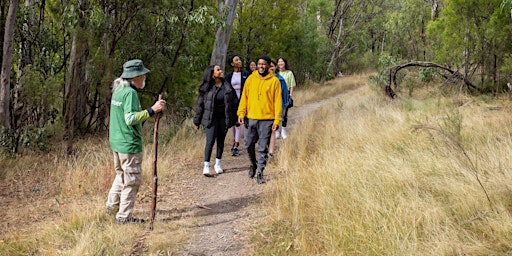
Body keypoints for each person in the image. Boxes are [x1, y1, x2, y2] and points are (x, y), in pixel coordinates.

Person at [106, 59, 166, 225]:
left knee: (121, 176)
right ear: (136, 76)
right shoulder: (130, 93)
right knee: (131, 180)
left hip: (117, 142)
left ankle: (111, 208)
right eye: (143, 75)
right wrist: (152, 110)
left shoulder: (118, 90)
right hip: (128, 144)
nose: (145, 77)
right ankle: (123, 217)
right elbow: (130, 118)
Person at [237, 55, 282, 184]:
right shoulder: (251, 79)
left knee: (263, 148)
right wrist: (241, 113)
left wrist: (277, 120)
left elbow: (277, 102)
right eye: (259, 64)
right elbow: (244, 97)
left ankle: (260, 172)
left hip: (267, 119)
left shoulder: (274, 81)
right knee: (248, 144)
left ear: (268, 65)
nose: (261, 66)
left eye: (264, 64)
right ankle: (253, 164)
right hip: (251, 118)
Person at [194, 65, 239, 177]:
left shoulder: (227, 86)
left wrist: (237, 118)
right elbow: (200, 105)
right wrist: (197, 121)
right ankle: (206, 166)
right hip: (210, 118)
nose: (221, 71)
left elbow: (234, 103)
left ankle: (218, 164)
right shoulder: (206, 88)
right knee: (210, 141)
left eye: (220, 69)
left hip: (224, 117)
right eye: (218, 70)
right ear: (212, 74)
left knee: (221, 141)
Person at [225, 55, 250, 157]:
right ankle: (235, 142)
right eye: (236, 60)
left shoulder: (245, 74)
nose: (239, 61)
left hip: (242, 100)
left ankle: (236, 145)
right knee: (234, 123)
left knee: (239, 123)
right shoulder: (229, 76)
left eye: (239, 59)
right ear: (232, 64)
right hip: (232, 102)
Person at [268, 58, 289, 158]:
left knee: (272, 129)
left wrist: (284, 106)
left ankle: (270, 152)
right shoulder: (260, 79)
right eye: (269, 66)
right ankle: (264, 149)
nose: (270, 68)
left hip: (276, 107)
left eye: (272, 66)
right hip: (265, 108)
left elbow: (285, 94)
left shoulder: (280, 79)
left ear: (275, 67)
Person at [277, 57, 296, 139]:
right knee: (277, 113)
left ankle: (283, 130)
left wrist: (290, 95)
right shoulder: (276, 73)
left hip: (285, 95)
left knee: (284, 113)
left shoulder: (289, 73)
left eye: (282, 61)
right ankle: (277, 130)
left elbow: (292, 85)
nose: (280, 63)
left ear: (285, 63)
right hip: (276, 95)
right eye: (279, 62)